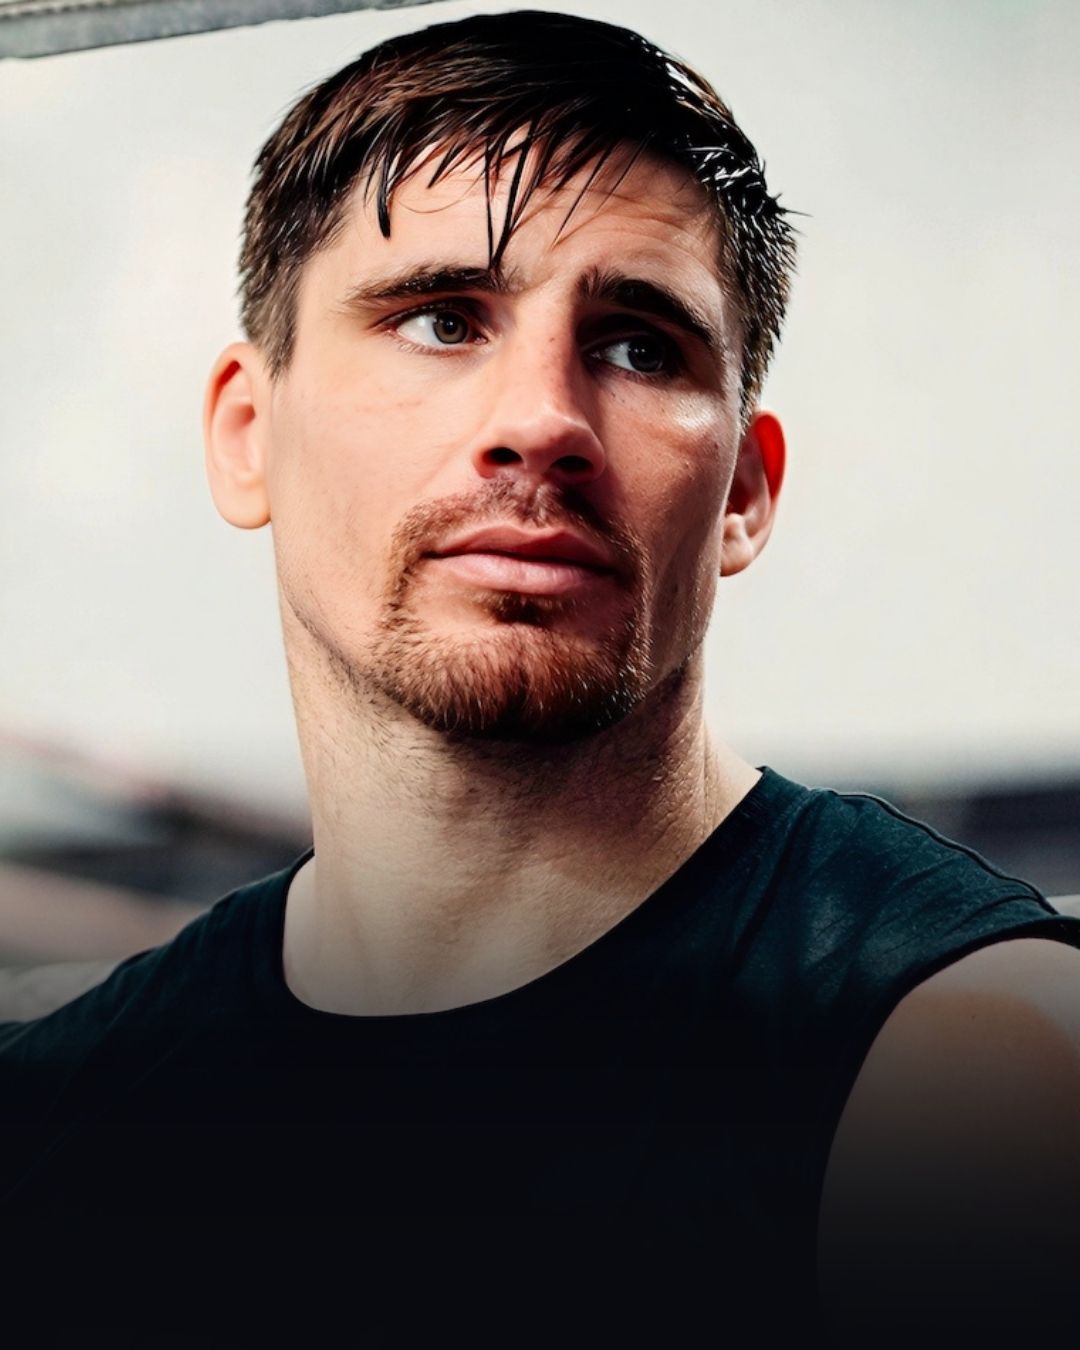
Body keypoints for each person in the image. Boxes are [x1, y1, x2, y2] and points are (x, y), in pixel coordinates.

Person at [2, 11, 1078, 1346]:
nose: (541, 422)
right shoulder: (57, 1112)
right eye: (442, 319)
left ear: (744, 493)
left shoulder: (961, 1064)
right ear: (246, 432)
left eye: (639, 346)